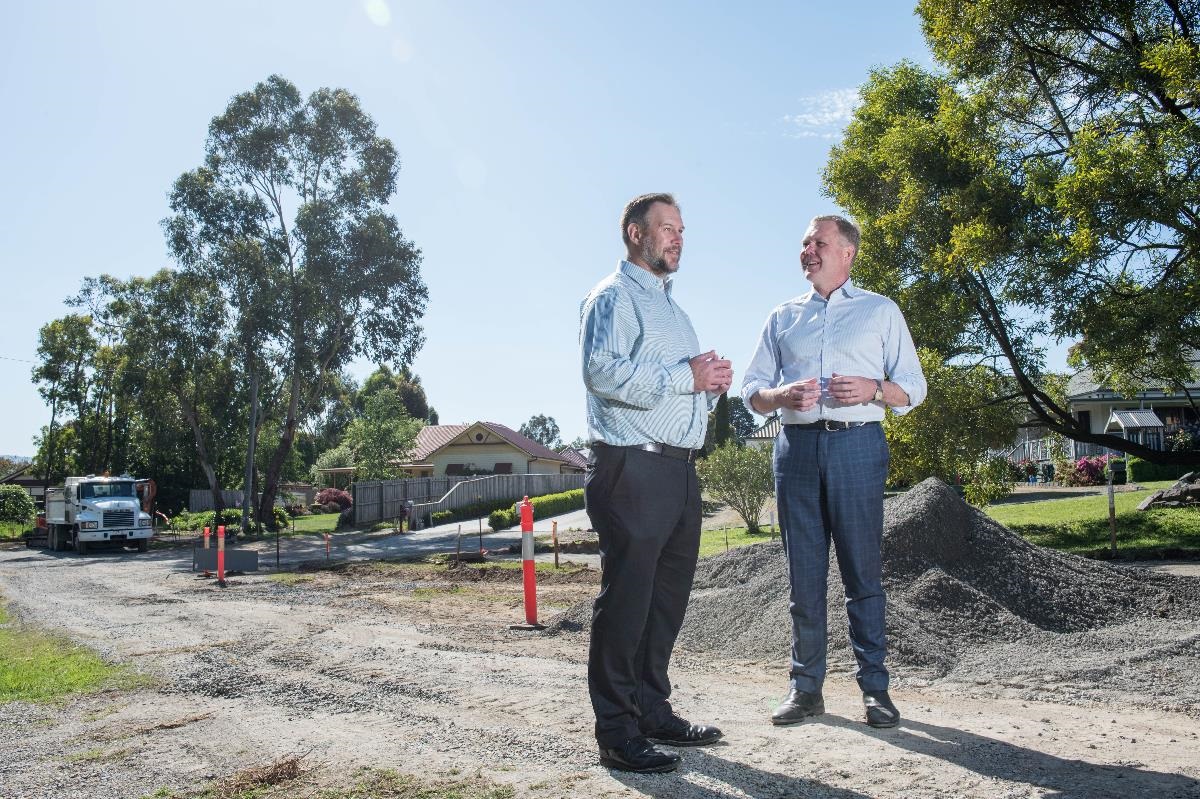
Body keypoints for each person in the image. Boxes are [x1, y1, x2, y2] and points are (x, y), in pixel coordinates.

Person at [740, 214, 926, 729]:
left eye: (818, 242)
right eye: (803, 243)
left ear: (847, 252)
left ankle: (876, 692)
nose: (807, 250)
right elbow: (752, 389)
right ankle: (806, 691)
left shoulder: (880, 311)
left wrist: (874, 389)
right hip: (795, 451)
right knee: (804, 579)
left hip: (858, 448)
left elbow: (915, 386)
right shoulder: (782, 317)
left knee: (862, 575)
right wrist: (779, 395)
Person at [579, 192, 732, 773]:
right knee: (627, 602)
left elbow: (674, 386)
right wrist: (684, 375)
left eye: (683, 229)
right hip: (632, 467)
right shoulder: (613, 298)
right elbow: (602, 373)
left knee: (665, 603)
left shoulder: (675, 310)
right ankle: (617, 731)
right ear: (635, 233)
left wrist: (704, 384)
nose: (678, 238)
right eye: (667, 228)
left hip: (678, 470)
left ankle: (650, 709)